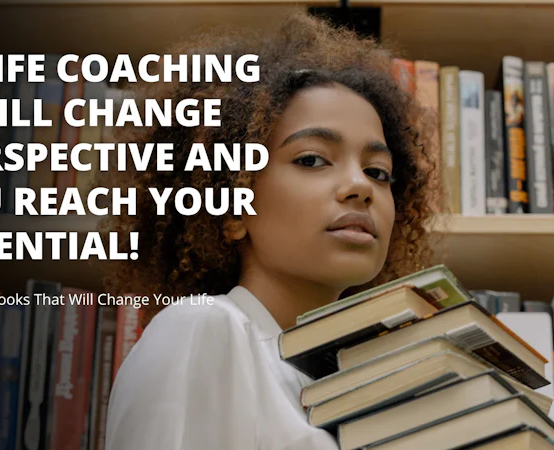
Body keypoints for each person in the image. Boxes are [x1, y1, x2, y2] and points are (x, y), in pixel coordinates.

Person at [100, 11, 441, 450]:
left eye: (378, 171)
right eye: (312, 159)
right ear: (232, 208)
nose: (360, 187)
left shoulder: (351, 382)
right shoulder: (205, 331)